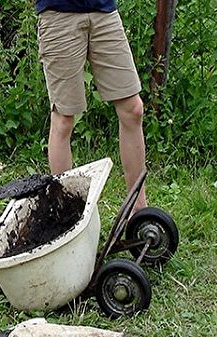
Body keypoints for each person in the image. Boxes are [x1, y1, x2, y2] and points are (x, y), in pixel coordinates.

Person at [36, 0, 148, 211]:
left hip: (104, 12)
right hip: (59, 15)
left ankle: (138, 210)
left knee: (133, 110)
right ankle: (66, 212)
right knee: (64, 119)